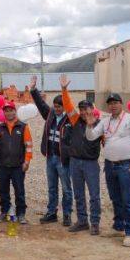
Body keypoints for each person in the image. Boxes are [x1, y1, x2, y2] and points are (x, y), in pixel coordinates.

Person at [85, 93, 130, 247]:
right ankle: (119, 225)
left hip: (126, 165)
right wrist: (89, 124)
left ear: (121, 103)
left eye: (116, 102)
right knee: (115, 197)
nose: (113, 106)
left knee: (127, 199)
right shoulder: (105, 122)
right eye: (110, 103)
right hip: (109, 165)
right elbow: (91, 137)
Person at [59, 75, 102, 235]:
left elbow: (108, 141)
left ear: (92, 109)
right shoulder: (75, 119)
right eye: (82, 109)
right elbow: (67, 105)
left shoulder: (99, 124)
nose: (84, 112)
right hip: (75, 162)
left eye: (86, 109)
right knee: (78, 194)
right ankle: (83, 221)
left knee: (94, 195)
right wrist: (64, 90)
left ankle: (95, 223)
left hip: (91, 164)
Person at [29, 75, 73, 227]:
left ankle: (67, 214)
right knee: (52, 187)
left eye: (59, 106)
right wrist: (33, 89)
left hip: (63, 160)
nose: (56, 108)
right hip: (50, 158)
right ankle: (52, 213)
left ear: (65, 107)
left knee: (67, 189)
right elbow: (41, 104)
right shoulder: (50, 114)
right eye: (55, 105)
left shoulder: (71, 120)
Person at [0, 101, 33, 224]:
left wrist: (27, 161)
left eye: (10, 110)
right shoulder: (0, 128)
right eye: (6, 111)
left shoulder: (23, 127)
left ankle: (21, 214)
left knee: (19, 190)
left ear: (14, 111)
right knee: (3, 191)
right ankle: (4, 211)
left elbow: (28, 145)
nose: (8, 112)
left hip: (18, 165)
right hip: (3, 165)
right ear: (4, 113)